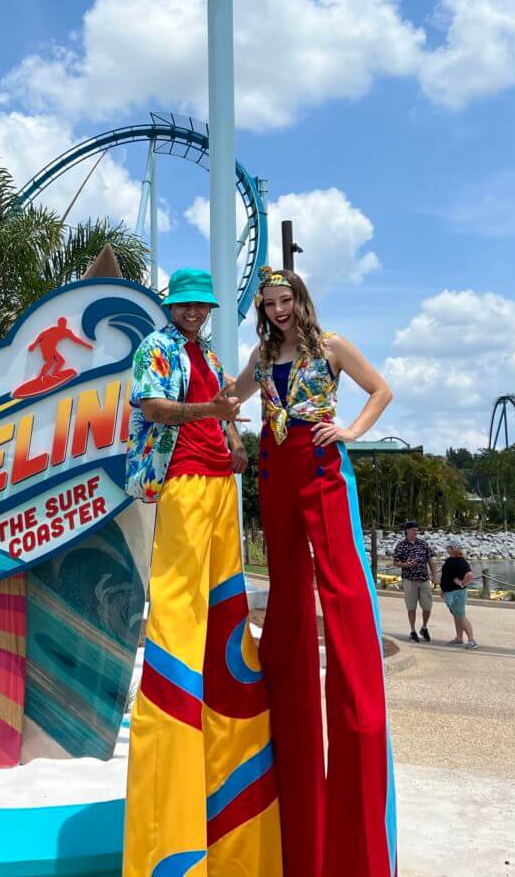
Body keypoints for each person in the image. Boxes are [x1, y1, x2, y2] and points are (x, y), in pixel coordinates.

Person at [227, 265, 398, 877]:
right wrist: (232, 434)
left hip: (322, 466)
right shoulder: (260, 353)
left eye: (284, 300)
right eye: (268, 303)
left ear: (300, 299)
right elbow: (229, 397)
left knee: (343, 595)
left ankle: (357, 710)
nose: (276, 311)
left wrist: (349, 430)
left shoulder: (332, 347)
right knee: (289, 604)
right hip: (274, 473)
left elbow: (382, 390)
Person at [122, 267, 282, 876]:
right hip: (183, 482)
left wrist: (233, 441)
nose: (193, 313)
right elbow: (156, 407)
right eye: (185, 305)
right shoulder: (157, 348)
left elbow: (219, 411)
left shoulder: (208, 353)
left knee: (224, 608)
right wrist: (211, 411)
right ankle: (175, 708)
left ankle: (223, 706)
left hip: (220, 484)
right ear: (172, 307)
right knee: (180, 607)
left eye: (200, 305)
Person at [393, 520, 438, 643]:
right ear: (407, 531)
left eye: (417, 530)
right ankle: (412, 631)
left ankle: (424, 627)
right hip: (409, 580)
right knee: (411, 607)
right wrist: (406, 565)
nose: (416, 532)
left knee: (427, 607)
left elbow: (431, 561)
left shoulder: (423, 544)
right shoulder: (401, 545)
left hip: (424, 579)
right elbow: (395, 562)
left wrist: (434, 576)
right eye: (414, 530)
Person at [440, 540, 478, 649]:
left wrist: (462, 583)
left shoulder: (460, 561)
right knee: (457, 615)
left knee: (460, 616)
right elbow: (446, 576)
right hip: (449, 592)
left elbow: (469, 575)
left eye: (449, 547)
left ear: (454, 549)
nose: (447, 549)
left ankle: (471, 640)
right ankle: (459, 638)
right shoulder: (450, 560)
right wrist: (443, 589)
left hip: (457, 593)